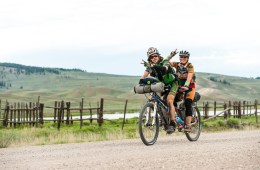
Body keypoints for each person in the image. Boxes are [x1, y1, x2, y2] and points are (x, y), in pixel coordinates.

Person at [139, 47, 178, 134]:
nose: (154, 58)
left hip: (172, 83)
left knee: (169, 100)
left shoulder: (165, 61)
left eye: (155, 56)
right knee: (154, 98)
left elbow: (164, 69)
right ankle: (162, 119)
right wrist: (141, 80)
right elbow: (144, 75)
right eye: (151, 57)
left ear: (158, 56)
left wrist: (154, 66)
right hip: (161, 84)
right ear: (150, 59)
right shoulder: (150, 65)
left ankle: (172, 122)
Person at [170, 50, 196, 132]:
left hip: (189, 87)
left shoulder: (190, 66)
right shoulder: (177, 64)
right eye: (181, 57)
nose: (182, 58)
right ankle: (179, 121)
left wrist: (186, 85)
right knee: (171, 101)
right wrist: (171, 55)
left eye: (184, 57)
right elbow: (167, 63)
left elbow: (190, 75)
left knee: (188, 102)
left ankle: (188, 125)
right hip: (179, 87)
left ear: (187, 58)